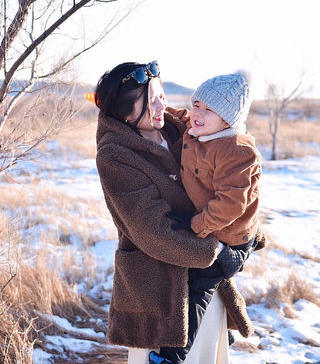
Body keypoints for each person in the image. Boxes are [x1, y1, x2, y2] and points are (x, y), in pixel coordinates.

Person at [93, 61, 254, 364]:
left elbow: (231, 179)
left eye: (162, 95)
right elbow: (154, 233)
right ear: (124, 110)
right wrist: (219, 252)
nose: (161, 105)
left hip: (207, 288)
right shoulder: (116, 155)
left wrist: (245, 232)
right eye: (151, 99)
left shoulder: (179, 129)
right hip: (161, 298)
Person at [150, 73, 261, 364]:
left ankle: (173, 356)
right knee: (189, 277)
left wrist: (196, 227)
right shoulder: (200, 127)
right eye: (196, 103)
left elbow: (230, 204)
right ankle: (224, 331)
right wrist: (157, 109)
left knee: (198, 284)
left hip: (230, 237)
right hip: (213, 226)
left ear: (228, 118)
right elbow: (182, 116)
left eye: (208, 109)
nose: (197, 113)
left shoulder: (237, 151)